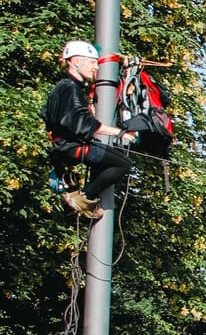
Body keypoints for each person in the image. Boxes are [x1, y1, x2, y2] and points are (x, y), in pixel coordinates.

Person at [42, 40, 137, 222]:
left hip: (63, 146)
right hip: (72, 147)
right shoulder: (70, 88)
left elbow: (51, 116)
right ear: (77, 61)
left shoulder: (63, 87)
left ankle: (78, 197)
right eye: (92, 62)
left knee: (106, 158)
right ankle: (84, 199)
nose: (96, 68)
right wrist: (119, 133)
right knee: (123, 164)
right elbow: (84, 124)